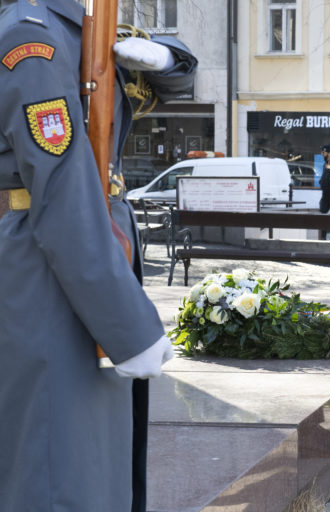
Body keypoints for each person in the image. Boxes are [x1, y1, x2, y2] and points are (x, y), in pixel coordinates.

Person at [0, 1, 197, 511]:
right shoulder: (32, 38)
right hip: (49, 268)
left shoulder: (79, 24)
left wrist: (163, 56)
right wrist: (128, 326)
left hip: (78, 259)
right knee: (59, 465)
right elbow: (61, 193)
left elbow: (174, 77)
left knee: (90, 458)